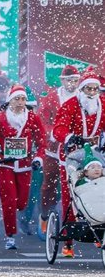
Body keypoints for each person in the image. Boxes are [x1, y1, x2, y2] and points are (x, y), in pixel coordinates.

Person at [51, 68, 105, 258]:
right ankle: (68, 241)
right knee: (70, 195)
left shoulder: (103, 104)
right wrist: (70, 137)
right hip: (73, 155)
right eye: (88, 89)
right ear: (81, 90)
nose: (91, 93)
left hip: (97, 155)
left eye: (94, 89)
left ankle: (99, 228)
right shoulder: (70, 105)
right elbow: (58, 128)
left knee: (101, 190)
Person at [0, 85, 46, 250]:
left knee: (22, 202)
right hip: (6, 164)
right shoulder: (0, 118)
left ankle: (20, 212)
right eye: (16, 99)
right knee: (8, 200)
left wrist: (38, 158)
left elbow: (42, 142)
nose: (20, 102)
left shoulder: (32, 119)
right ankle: (10, 236)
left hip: (25, 165)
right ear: (10, 100)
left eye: (23, 99)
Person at [37, 65, 79, 237]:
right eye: (69, 80)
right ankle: (45, 215)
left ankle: (81, 223)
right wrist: (56, 133)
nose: (72, 84)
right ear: (62, 81)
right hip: (53, 151)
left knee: (78, 186)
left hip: (76, 153)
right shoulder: (52, 98)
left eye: (75, 80)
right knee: (49, 185)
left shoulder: (82, 98)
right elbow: (42, 121)